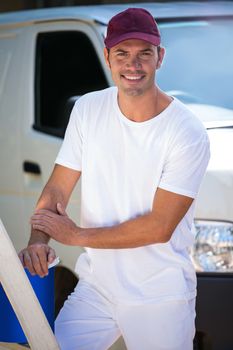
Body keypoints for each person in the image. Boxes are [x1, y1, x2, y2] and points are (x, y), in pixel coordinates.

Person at [19, 7, 210, 350]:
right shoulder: (89, 110)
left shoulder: (186, 131)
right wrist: (39, 241)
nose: (133, 65)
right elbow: (58, 187)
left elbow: (159, 226)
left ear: (160, 57)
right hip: (97, 287)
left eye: (144, 54)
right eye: (122, 53)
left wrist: (75, 235)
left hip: (159, 296)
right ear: (108, 57)